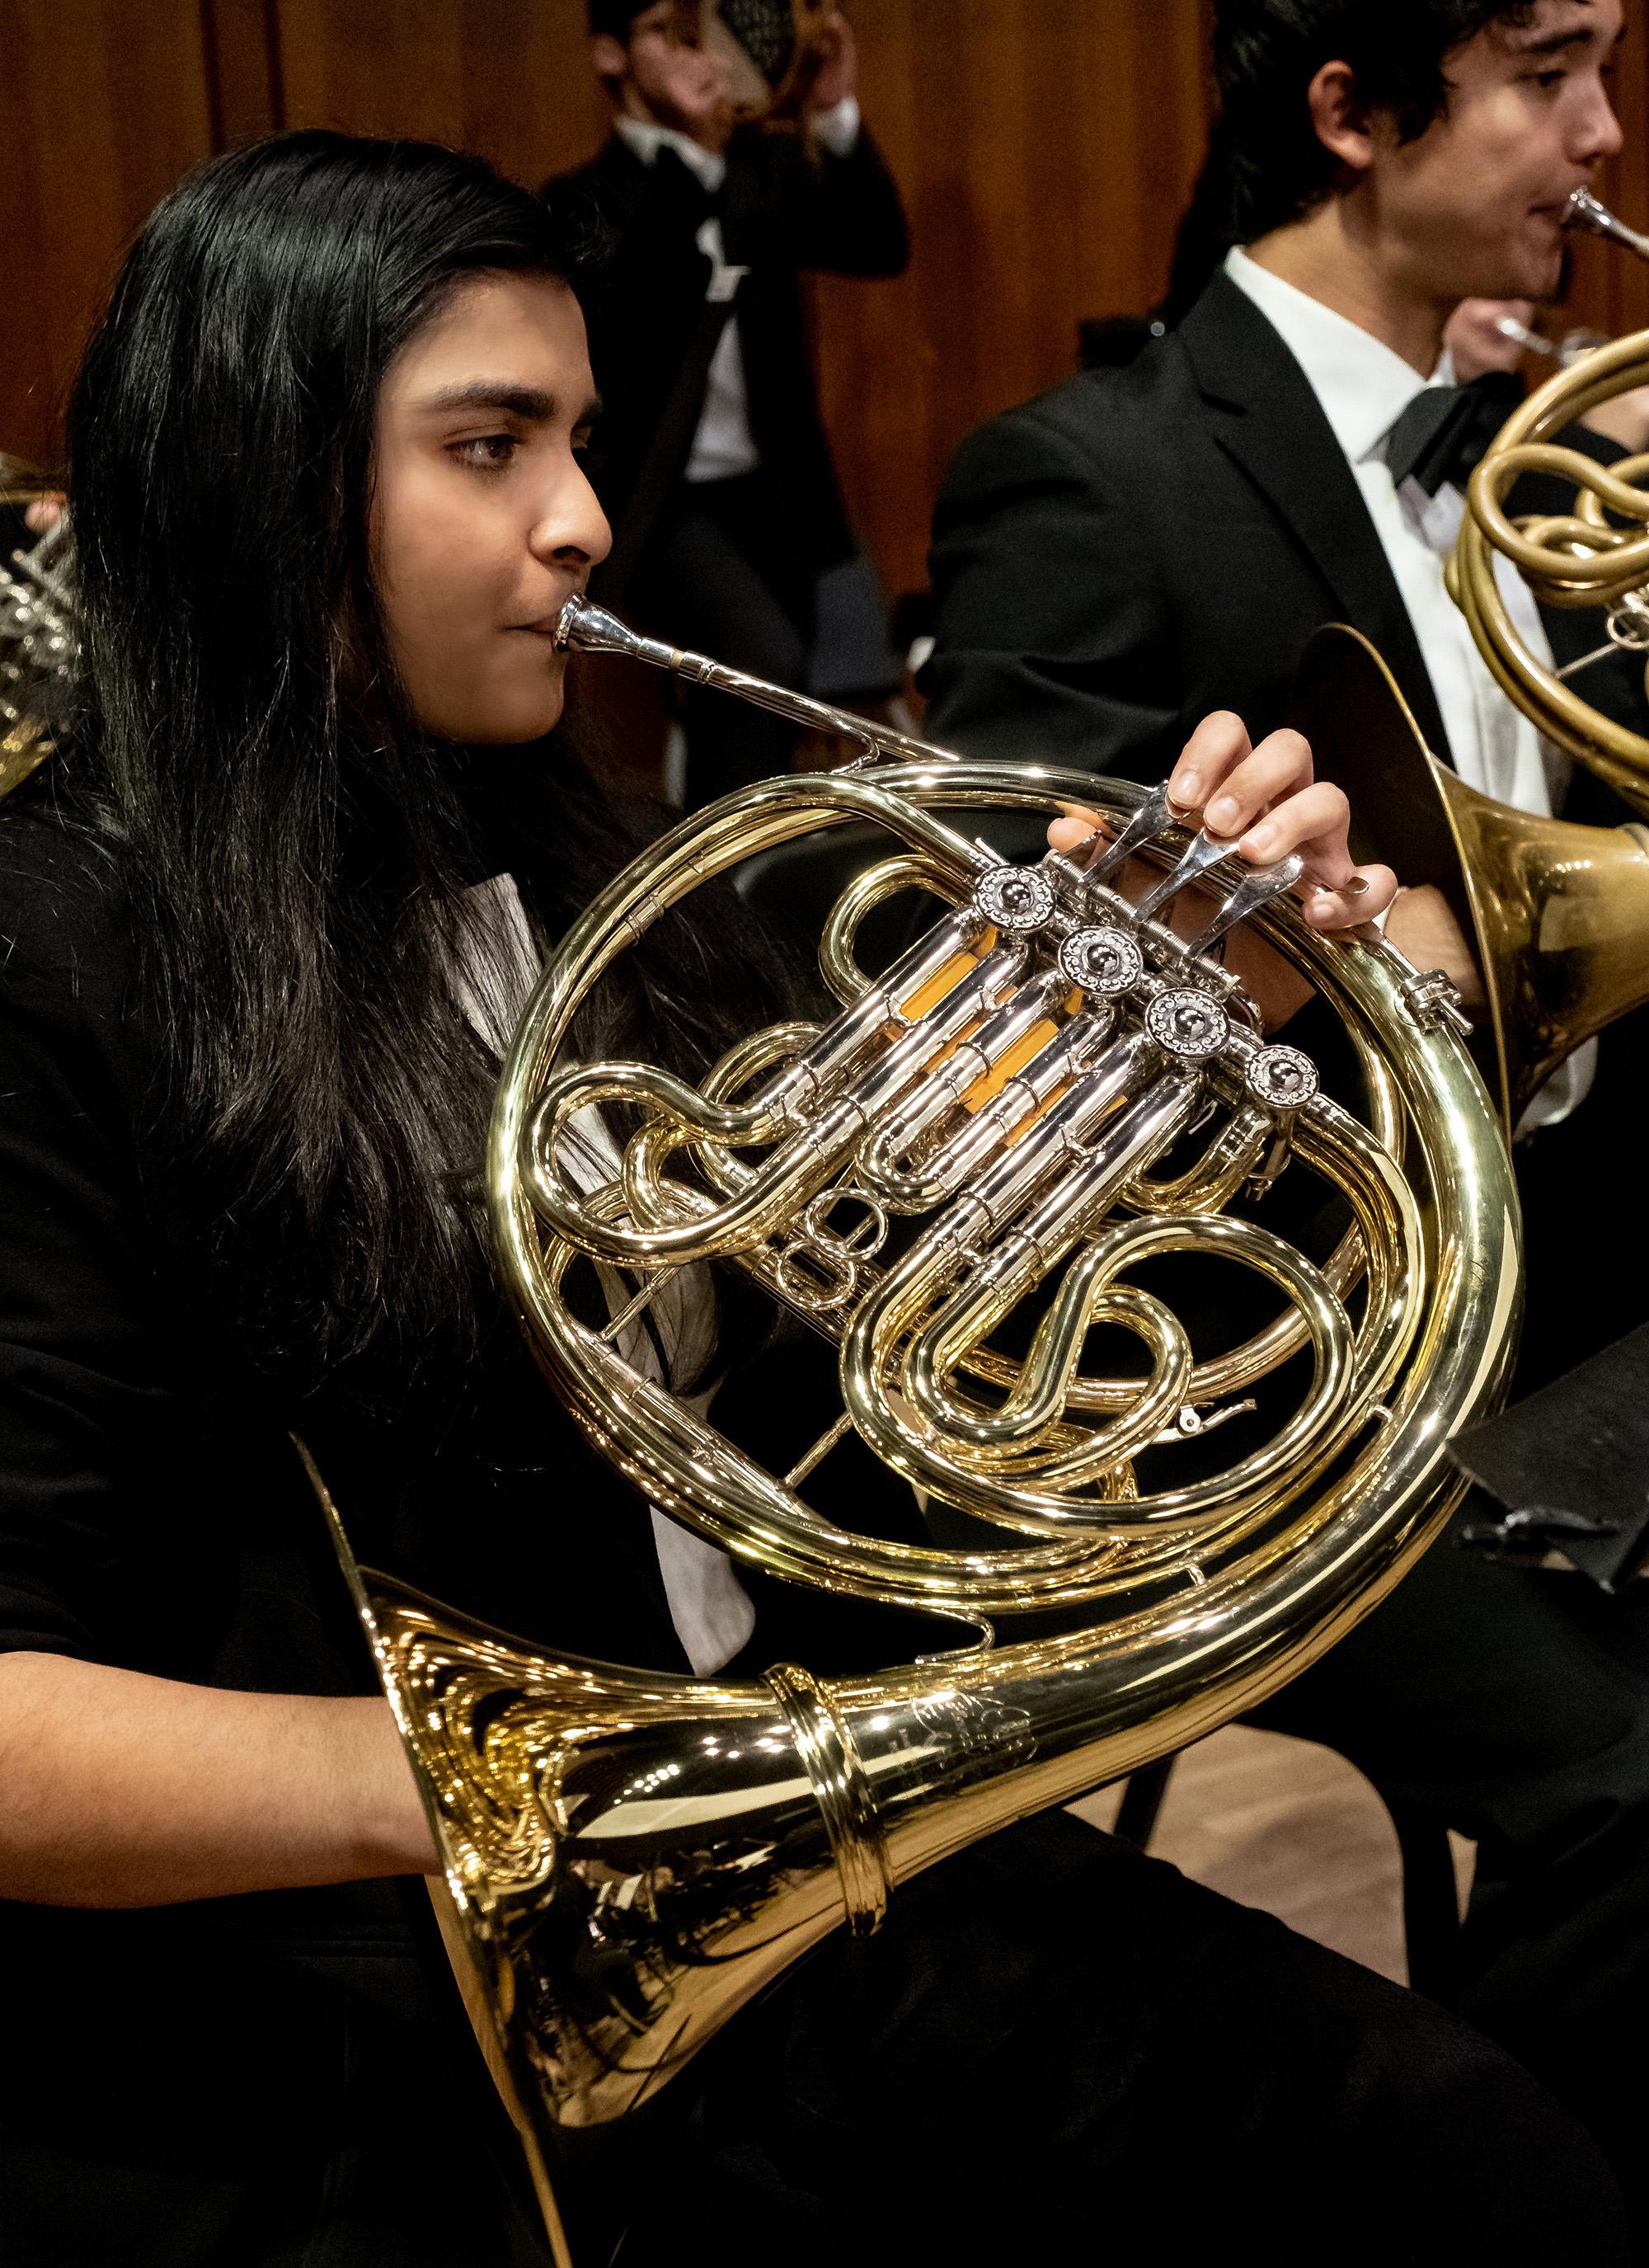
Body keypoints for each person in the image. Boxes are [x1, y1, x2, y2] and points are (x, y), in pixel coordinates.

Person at [0, 126, 1626, 2268]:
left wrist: (1103, 1039)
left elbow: (763, 1327)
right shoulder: (60, 964)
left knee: (1478, 2170)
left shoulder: (566, 859)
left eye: (576, 436)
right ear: (262, 474)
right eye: (486, 445)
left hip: (821, 1875)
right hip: (397, 2026)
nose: (584, 517)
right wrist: (552, 1788)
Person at [923, 0, 1649, 2236]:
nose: (1603, 129)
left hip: (1575, 1259)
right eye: (1547, 67)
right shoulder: (1089, 473)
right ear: (1348, 112)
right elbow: (992, 1052)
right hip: (1267, 1366)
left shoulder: (1556, 446)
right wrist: (1337, 959)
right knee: (1628, 1784)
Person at [545, 1, 908, 807]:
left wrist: (830, 109)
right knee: (757, 662)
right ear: (611, 55)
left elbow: (878, 243)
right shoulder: (586, 198)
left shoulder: (761, 173)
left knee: (829, 680)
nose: (702, 57)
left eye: (710, 32)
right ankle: (721, 886)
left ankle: (752, 866)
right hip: (660, 504)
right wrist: (701, 165)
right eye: (669, 34)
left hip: (778, 489)